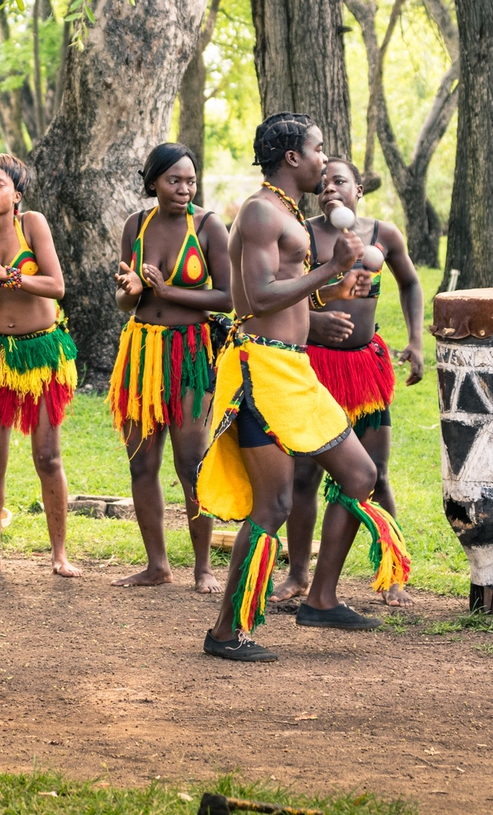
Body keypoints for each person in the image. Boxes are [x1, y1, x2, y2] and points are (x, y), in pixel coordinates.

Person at [196, 113, 411, 662]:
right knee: (274, 504)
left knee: (361, 474)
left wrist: (334, 291)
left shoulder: (287, 211)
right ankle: (226, 632)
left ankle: (321, 598)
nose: (324, 160)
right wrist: (327, 271)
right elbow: (260, 296)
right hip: (258, 370)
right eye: (318, 150)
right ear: (293, 158)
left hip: (293, 369)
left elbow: (288, 297)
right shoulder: (263, 210)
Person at [271, 157, 425, 607]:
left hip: (365, 369)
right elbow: (284, 294)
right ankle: (299, 574)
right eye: (323, 183)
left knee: (375, 475)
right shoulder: (303, 234)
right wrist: (315, 322)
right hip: (316, 367)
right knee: (302, 475)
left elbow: (411, 283)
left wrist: (415, 341)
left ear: (360, 189)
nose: (330, 189)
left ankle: (393, 574)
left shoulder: (384, 235)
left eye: (340, 181)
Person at [108, 143, 232, 591]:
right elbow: (125, 300)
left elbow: (228, 298)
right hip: (142, 351)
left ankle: (203, 568)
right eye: (174, 180)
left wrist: (166, 291)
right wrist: (132, 288)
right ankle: (157, 565)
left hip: (191, 352)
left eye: (190, 180)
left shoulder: (208, 226)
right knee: (142, 464)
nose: (184, 189)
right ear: (153, 182)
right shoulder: (136, 225)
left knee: (191, 462)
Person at [0, 153, 80, 577]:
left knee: (47, 456)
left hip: (42, 351)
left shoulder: (33, 225)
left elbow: (56, 286)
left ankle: (59, 554)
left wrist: (6, 276)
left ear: (16, 195)